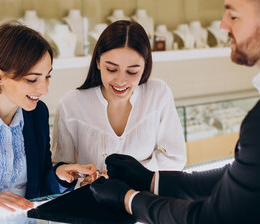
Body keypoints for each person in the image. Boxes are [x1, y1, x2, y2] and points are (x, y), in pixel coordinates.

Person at [89, 0, 260, 223]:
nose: (222, 25)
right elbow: (243, 176)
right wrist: (151, 180)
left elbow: (213, 218)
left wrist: (129, 199)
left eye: (234, 16)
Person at [0, 22, 96, 215]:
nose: (44, 89)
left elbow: (40, 190)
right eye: (32, 79)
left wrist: (60, 176)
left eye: (47, 76)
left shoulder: (37, 114)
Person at [51, 20, 186, 186]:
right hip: (93, 206)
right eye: (112, 69)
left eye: (132, 71)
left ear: (145, 67)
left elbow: (175, 159)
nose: (121, 81)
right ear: (98, 62)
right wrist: (80, 181)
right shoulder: (70, 105)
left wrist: (129, 176)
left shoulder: (158, 94)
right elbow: (60, 171)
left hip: (143, 204)